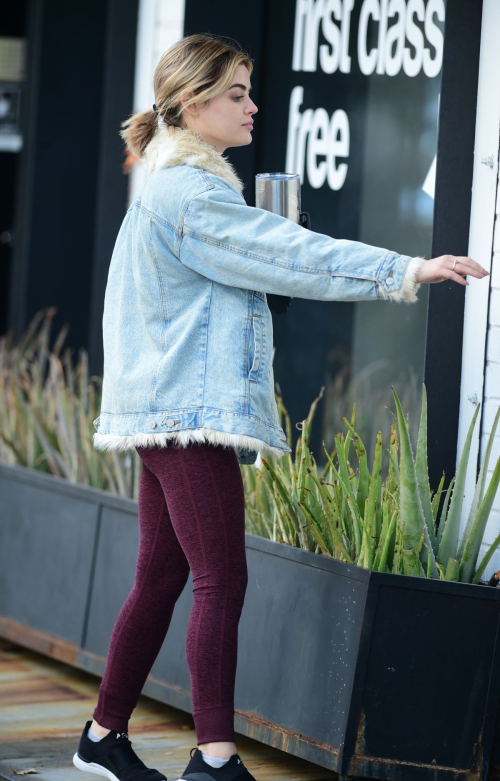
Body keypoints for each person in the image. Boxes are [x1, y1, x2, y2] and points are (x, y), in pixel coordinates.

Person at [72, 32, 489, 781]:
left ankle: (102, 737)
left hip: (161, 411)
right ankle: (215, 757)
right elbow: (295, 256)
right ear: (194, 104)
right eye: (237, 92)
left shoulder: (171, 187)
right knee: (220, 579)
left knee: (163, 577)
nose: (252, 105)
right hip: (183, 416)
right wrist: (409, 269)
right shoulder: (191, 196)